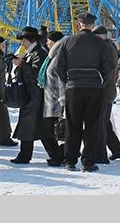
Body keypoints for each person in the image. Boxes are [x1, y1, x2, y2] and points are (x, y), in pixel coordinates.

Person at [57, 12, 114, 172]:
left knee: (73, 124)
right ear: (92, 25)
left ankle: (70, 160)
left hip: (73, 87)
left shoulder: (68, 41)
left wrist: (68, 80)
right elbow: (109, 66)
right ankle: (88, 161)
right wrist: (101, 81)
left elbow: (59, 66)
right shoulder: (100, 43)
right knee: (92, 125)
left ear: (79, 24)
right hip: (94, 87)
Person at [10, 26, 60, 165]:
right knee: (39, 128)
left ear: (31, 40)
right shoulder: (34, 52)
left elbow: (36, 74)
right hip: (33, 96)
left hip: (35, 96)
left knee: (33, 127)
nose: (22, 44)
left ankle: (26, 156)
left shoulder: (39, 53)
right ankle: (54, 155)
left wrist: (22, 64)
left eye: (24, 41)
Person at [93, 25, 120, 163]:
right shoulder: (110, 47)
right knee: (104, 122)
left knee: (101, 123)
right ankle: (117, 150)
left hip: (105, 90)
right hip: (108, 90)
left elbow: (106, 71)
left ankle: (104, 153)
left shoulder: (105, 48)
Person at [41, 31, 68, 166]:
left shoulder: (58, 56)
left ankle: (60, 156)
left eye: (49, 40)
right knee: (53, 130)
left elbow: (62, 79)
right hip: (50, 100)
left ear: (55, 42)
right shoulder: (52, 56)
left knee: (56, 131)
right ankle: (59, 156)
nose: (47, 43)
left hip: (57, 100)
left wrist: (62, 100)